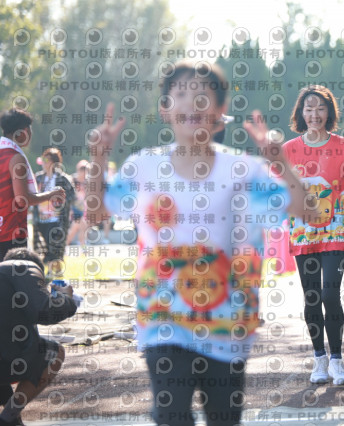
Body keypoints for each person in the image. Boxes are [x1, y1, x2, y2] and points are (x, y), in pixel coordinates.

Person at [85, 60, 318, 426]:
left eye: (203, 96)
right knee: (170, 415)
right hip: (162, 319)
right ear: (165, 108)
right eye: (180, 94)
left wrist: (280, 162)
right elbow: (96, 211)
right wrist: (99, 157)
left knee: (223, 418)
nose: (192, 104)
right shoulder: (143, 168)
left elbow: (308, 212)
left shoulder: (244, 170)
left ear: (220, 111)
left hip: (227, 321)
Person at [282, 85, 344, 385]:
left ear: (329, 112)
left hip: (337, 228)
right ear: (301, 113)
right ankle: (319, 358)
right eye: (309, 109)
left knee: (330, 294)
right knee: (312, 296)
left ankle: (337, 361)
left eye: (320, 108)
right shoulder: (289, 149)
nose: (314, 114)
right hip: (304, 230)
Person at [0, 248, 77, 426]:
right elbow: (43, 310)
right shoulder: (25, 267)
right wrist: (66, 298)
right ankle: (7, 418)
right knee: (54, 353)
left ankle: (11, 419)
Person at [0, 108, 65, 261]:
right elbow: (22, 199)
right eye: (29, 128)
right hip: (11, 232)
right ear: (23, 131)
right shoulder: (15, 158)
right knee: (13, 275)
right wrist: (50, 195)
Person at [32, 148, 75, 267]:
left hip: (57, 220)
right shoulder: (39, 178)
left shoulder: (63, 178)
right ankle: (49, 272)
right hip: (41, 219)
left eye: (46, 160)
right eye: (43, 160)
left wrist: (59, 201)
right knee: (44, 250)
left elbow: (71, 195)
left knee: (56, 249)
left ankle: (56, 273)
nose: (43, 163)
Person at [66, 159, 89, 246]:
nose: (83, 172)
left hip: (82, 209)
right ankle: (83, 247)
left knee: (77, 228)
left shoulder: (87, 182)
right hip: (73, 208)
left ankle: (64, 247)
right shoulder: (73, 180)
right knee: (80, 227)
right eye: (82, 169)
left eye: (85, 170)